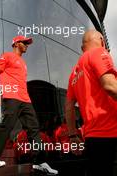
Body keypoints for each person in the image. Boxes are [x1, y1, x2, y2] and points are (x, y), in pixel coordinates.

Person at [0, 35, 58, 175]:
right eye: (25, 43)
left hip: (25, 100)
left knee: (34, 128)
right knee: (7, 126)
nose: (27, 45)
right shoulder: (7, 56)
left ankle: (39, 162)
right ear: (16, 43)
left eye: (27, 43)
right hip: (11, 97)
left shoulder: (23, 63)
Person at [65, 29, 117, 176]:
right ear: (102, 41)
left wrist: (72, 136)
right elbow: (110, 86)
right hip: (112, 132)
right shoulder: (99, 52)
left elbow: (68, 107)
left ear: (82, 48)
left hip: (92, 137)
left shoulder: (74, 73)